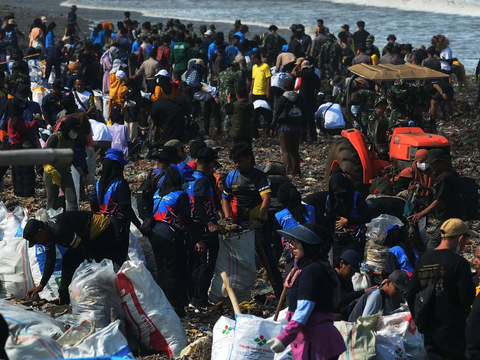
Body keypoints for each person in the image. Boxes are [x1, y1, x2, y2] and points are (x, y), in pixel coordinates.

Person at [267, 223, 346, 359]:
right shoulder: (312, 268)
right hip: (314, 340)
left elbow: (304, 310)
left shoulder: (311, 271)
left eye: (298, 242)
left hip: (315, 343)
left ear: (310, 245)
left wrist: (284, 338)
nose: (293, 246)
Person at [407, 219, 476, 360]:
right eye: (465, 240)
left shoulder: (423, 260)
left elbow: (410, 294)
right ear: (460, 238)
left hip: (429, 331)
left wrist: (420, 320)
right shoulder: (459, 263)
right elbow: (466, 298)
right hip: (453, 332)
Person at [23, 210, 127, 304]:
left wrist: (94, 265)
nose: (38, 244)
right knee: (68, 260)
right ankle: (63, 297)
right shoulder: (48, 233)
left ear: (40, 232)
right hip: (86, 238)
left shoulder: (60, 230)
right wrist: (41, 285)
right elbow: (50, 260)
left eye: (37, 241)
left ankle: (114, 298)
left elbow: (83, 249)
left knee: (106, 267)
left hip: (105, 231)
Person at [222, 144, 283, 297]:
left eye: (240, 161)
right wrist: (228, 218)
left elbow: (266, 199)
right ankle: (236, 295)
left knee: (267, 260)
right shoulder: (231, 176)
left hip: (256, 225)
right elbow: (225, 198)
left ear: (249, 159)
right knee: (237, 262)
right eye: (234, 162)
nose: (237, 165)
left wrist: (259, 219)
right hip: (238, 225)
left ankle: (280, 293)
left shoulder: (259, 177)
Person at [151, 163, 195, 317]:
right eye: (183, 179)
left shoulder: (157, 193)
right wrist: (196, 239)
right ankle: (175, 307)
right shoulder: (180, 195)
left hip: (155, 235)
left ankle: (161, 304)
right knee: (173, 273)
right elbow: (187, 220)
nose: (185, 183)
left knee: (161, 271)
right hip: (170, 237)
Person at [186, 148, 225, 308]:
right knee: (206, 265)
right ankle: (200, 300)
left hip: (194, 227)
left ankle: (194, 298)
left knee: (198, 264)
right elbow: (198, 206)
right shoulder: (202, 180)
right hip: (203, 228)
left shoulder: (190, 178)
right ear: (209, 165)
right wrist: (210, 223)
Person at [409, 149, 465, 250]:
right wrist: (425, 188)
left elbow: (439, 201)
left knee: (433, 244)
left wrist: (421, 214)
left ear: (439, 162)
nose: (431, 166)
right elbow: (441, 192)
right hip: (451, 215)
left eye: (432, 164)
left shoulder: (445, 177)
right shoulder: (447, 174)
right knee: (447, 242)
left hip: (450, 216)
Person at [90, 148, 143, 242]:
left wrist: (97, 215)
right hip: (118, 226)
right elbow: (126, 208)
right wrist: (139, 225)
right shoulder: (120, 184)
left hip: (102, 224)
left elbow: (92, 200)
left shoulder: (99, 183)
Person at [326, 168, 371, 260]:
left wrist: (348, 221)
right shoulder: (330, 199)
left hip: (354, 238)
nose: (339, 193)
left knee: (349, 262)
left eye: (341, 190)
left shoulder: (356, 197)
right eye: (336, 191)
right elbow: (328, 217)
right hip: (337, 238)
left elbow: (367, 217)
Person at [272, 183, 315, 274]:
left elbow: (276, 238)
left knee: (292, 282)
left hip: (292, 254)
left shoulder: (280, 215)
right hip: (313, 251)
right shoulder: (311, 209)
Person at [43, 117, 82, 211]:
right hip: (52, 173)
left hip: (65, 173)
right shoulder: (56, 138)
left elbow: (73, 157)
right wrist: (49, 168)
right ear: (68, 128)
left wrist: (82, 173)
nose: (75, 132)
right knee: (52, 201)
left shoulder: (71, 140)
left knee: (72, 199)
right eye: (74, 130)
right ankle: (50, 222)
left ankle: (74, 220)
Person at [271, 77, 305, 176]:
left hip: (284, 128)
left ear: (283, 87)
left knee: (286, 151)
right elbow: (304, 112)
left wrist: (272, 127)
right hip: (297, 128)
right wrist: (304, 126)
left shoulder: (282, 99)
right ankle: (296, 172)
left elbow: (276, 113)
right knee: (295, 151)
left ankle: (287, 172)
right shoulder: (299, 98)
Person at [6, 98, 38, 197]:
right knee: (27, 169)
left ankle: (19, 191)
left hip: (13, 147)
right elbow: (28, 128)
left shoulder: (10, 120)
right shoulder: (17, 121)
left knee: (17, 171)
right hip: (20, 146)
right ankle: (28, 192)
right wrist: (36, 119)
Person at [334, 249, 377, 320]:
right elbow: (340, 298)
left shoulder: (346, 278)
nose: (353, 274)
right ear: (342, 264)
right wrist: (364, 291)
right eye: (351, 270)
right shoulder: (331, 277)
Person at [291, 59, 319, 143]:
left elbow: (293, 72)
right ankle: (313, 137)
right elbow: (318, 86)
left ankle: (304, 137)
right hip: (311, 99)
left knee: (303, 118)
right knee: (311, 119)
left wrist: (297, 65)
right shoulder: (314, 75)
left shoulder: (304, 73)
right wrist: (314, 94)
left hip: (304, 99)